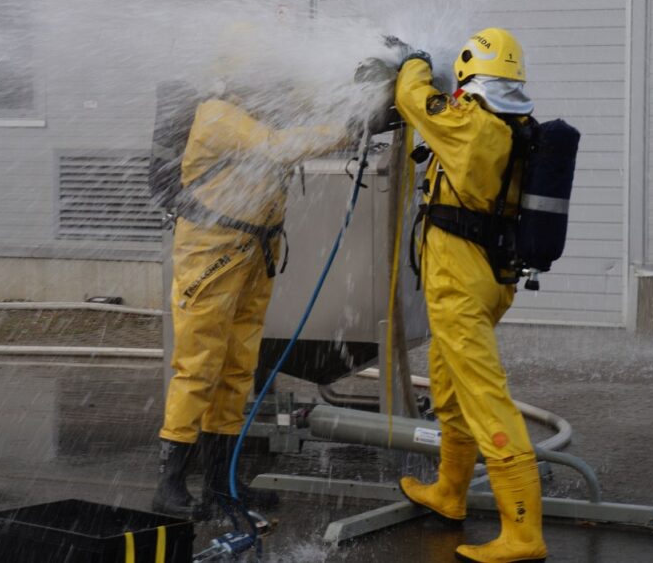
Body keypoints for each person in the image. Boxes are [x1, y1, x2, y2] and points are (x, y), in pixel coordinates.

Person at [151, 79, 355, 521]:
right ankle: (170, 484)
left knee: (238, 366)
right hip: (212, 251)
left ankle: (221, 483)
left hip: (254, 248)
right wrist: (349, 128)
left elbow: (308, 116)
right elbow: (276, 147)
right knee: (200, 364)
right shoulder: (219, 113)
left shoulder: (260, 110)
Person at [392, 28, 547, 563]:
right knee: (448, 380)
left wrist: (414, 60)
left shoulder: (467, 123)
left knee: (484, 397)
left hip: (460, 280)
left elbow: (411, 96)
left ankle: (523, 532)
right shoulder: (516, 123)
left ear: (467, 70)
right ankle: (449, 491)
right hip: (490, 275)